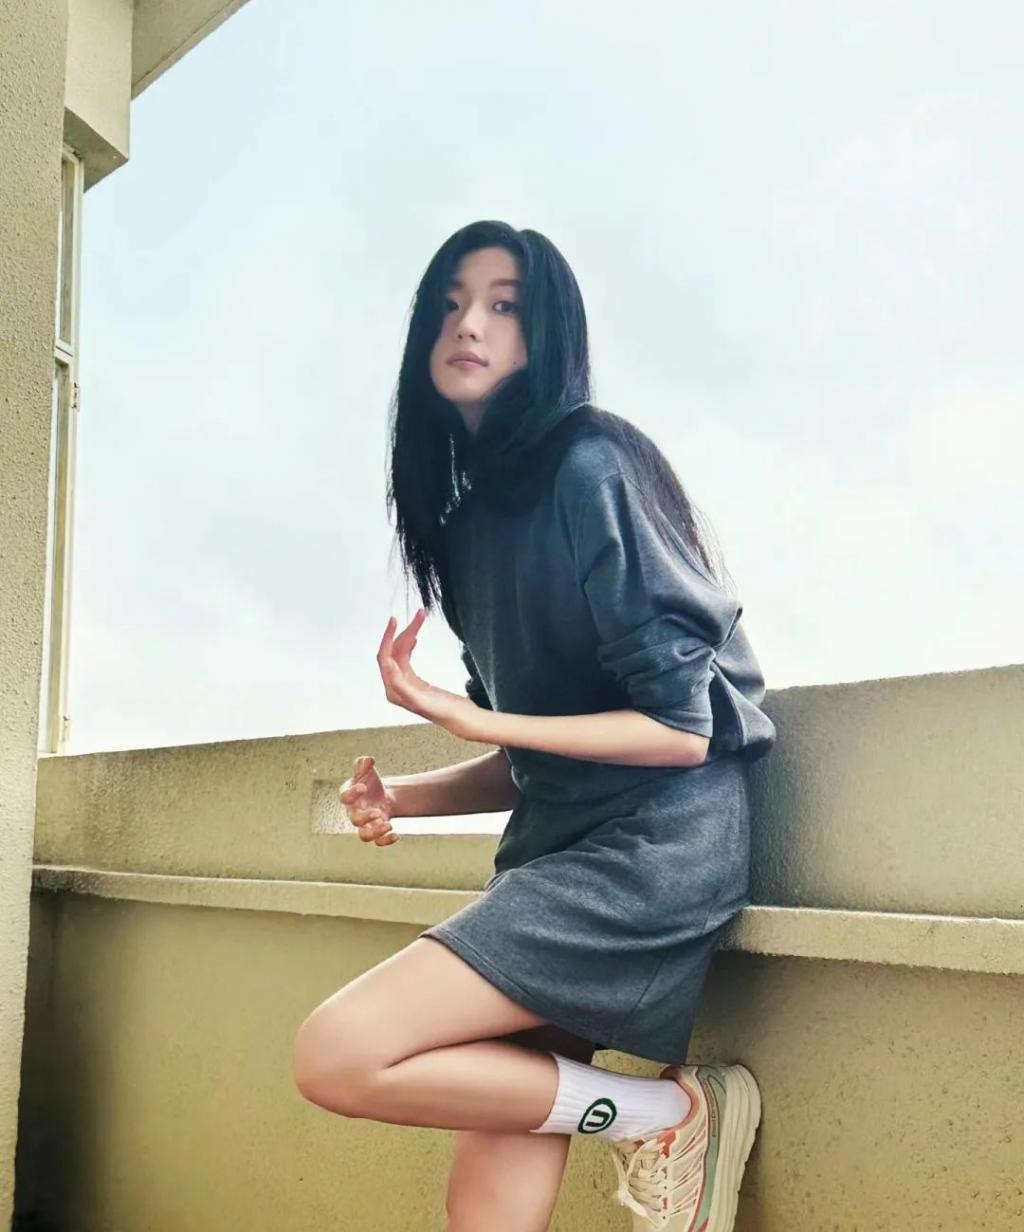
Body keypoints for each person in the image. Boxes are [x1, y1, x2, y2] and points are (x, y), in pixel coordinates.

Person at [292, 220, 777, 1231]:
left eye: (503, 304)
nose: (469, 324)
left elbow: (679, 731)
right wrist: (404, 798)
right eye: (450, 304)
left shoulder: (592, 464)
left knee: (337, 1052)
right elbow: (530, 752)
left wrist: (471, 714)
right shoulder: (465, 530)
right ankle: (663, 1121)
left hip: (653, 852)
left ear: (546, 334)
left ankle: (670, 1114)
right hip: (553, 851)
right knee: (487, 1199)